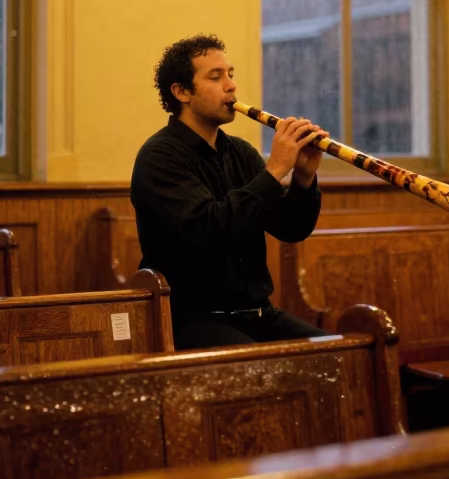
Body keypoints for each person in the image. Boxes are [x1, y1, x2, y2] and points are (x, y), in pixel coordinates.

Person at [130, 33, 327, 349]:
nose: (231, 85)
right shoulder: (159, 157)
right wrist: (275, 170)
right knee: (257, 369)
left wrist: (304, 177)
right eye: (216, 76)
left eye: (231, 75)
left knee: (341, 353)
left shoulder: (241, 152)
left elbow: (291, 229)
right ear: (182, 92)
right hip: (193, 318)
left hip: (259, 314)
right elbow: (207, 229)